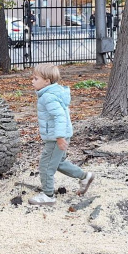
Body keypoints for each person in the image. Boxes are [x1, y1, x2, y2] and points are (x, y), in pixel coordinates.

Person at [30, 64, 95, 205]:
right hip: (61, 135)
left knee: (46, 165)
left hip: (56, 137)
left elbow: (60, 117)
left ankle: (48, 195)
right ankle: (84, 177)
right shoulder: (54, 93)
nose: (32, 81)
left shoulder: (48, 97)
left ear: (47, 81)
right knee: (58, 162)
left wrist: (59, 137)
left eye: (36, 78)